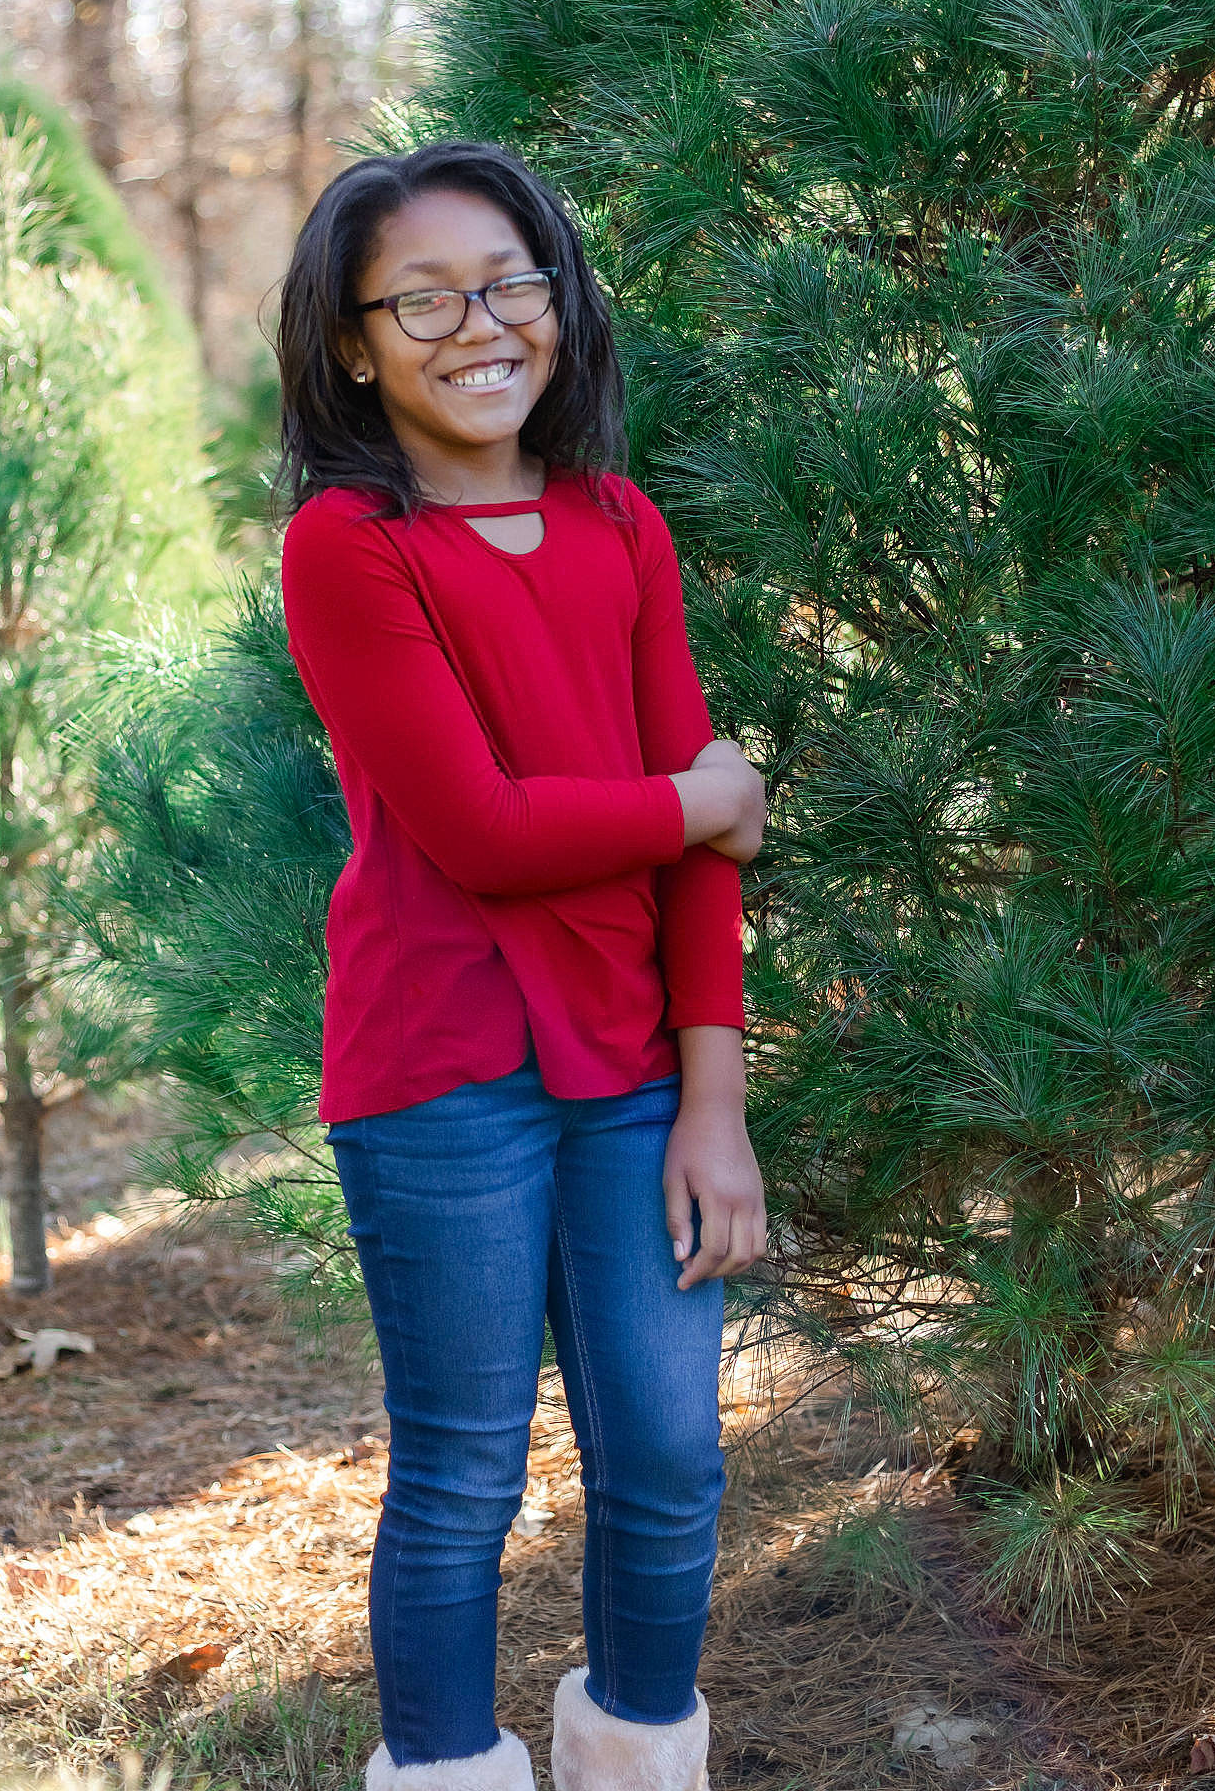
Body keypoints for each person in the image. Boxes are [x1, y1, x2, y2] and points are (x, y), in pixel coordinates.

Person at [275, 139, 769, 1791]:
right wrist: (698, 797)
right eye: (420, 299)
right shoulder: (349, 548)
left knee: (669, 1458)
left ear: (557, 300)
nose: (478, 325)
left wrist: (715, 1105)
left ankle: (635, 1755)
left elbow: (702, 863)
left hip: (633, 1072)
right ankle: (445, 1766)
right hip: (439, 1072)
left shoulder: (618, 524)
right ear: (353, 345)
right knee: (463, 1478)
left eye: (508, 283)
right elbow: (484, 834)